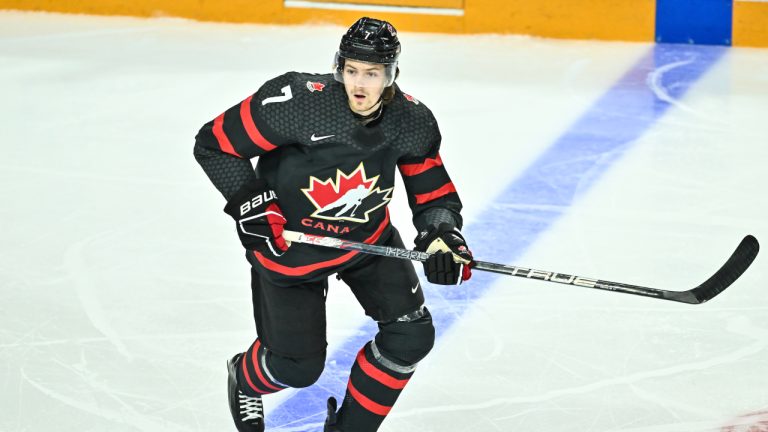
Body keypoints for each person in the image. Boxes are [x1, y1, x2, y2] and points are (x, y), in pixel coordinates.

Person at [194, 16, 474, 432]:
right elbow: (214, 144)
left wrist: (443, 235)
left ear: (391, 75)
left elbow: (433, 195)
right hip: (291, 250)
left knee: (411, 336)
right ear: (339, 66)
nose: (359, 85)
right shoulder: (297, 103)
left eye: (373, 73)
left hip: (367, 244)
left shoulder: (412, 121)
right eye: (352, 70)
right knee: (296, 369)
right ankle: (244, 377)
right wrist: (252, 203)